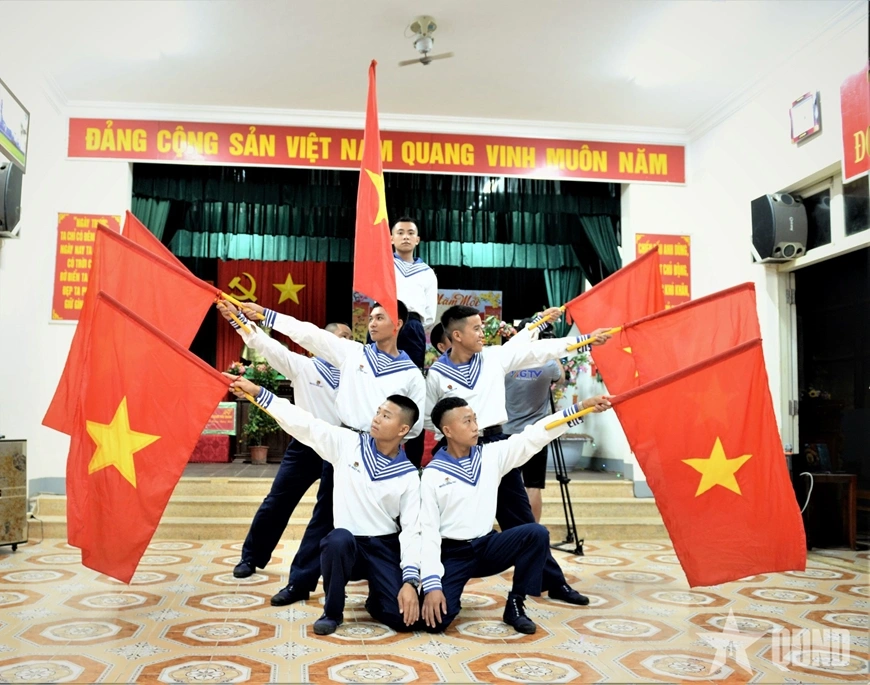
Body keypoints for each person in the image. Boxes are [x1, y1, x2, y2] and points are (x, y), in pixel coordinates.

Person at [236, 299, 425, 606]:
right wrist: (267, 316)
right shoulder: (352, 353)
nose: (372, 323)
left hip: (386, 453)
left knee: (389, 521)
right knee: (324, 517)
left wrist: (387, 443)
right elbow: (308, 334)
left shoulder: (412, 375)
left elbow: (414, 426)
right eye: (371, 317)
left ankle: (394, 582)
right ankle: (299, 583)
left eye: (380, 317)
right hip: (346, 444)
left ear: (398, 324)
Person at [424, 304, 613, 605]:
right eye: (476, 328)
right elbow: (429, 418)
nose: (483, 333)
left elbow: (539, 350)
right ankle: (432, 578)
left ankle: (551, 583)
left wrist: (584, 340)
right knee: (445, 519)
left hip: (494, 445)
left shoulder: (494, 358)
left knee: (521, 519)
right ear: (456, 335)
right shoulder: (436, 374)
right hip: (454, 452)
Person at [228, 375, 422, 636]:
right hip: (347, 547)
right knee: (336, 539)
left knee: (403, 620)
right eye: (378, 412)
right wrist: (259, 393)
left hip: (384, 548)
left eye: (386, 416)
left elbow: (412, 530)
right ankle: (332, 612)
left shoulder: (409, 475)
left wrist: (410, 581)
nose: (377, 418)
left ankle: (377, 600)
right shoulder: (347, 444)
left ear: (402, 430)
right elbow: (305, 424)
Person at [420, 395, 612, 634]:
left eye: (475, 419)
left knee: (535, 533)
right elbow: (427, 533)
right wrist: (432, 586)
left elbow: (535, 434)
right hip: (452, 554)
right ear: (447, 430)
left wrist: (581, 408)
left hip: (487, 547)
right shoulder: (432, 475)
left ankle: (516, 604)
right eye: (467, 421)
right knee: (436, 623)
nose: (475, 427)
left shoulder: (492, 455)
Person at [215, 302, 351, 579]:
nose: (348, 342)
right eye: (342, 337)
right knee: (277, 502)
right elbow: (266, 345)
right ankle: (250, 557)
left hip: (340, 447)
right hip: (305, 446)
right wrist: (238, 320)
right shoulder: (303, 366)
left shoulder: (357, 374)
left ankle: (308, 575)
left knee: (328, 513)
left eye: (350, 337)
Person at [504, 320, 566, 522]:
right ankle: (533, 532)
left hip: (507, 432)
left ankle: (511, 530)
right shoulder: (548, 364)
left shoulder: (508, 362)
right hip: (537, 433)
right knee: (533, 485)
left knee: (505, 485)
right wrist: (551, 350)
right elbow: (561, 378)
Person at [391, 216, 437, 369]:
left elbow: (430, 312)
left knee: (411, 372)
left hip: (412, 325)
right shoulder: (383, 265)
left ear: (417, 240)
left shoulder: (427, 272)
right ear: (391, 238)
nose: (405, 237)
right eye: (400, 233)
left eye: (410, 233)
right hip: (385, 320)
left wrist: (414, 325)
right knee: (376, 369)